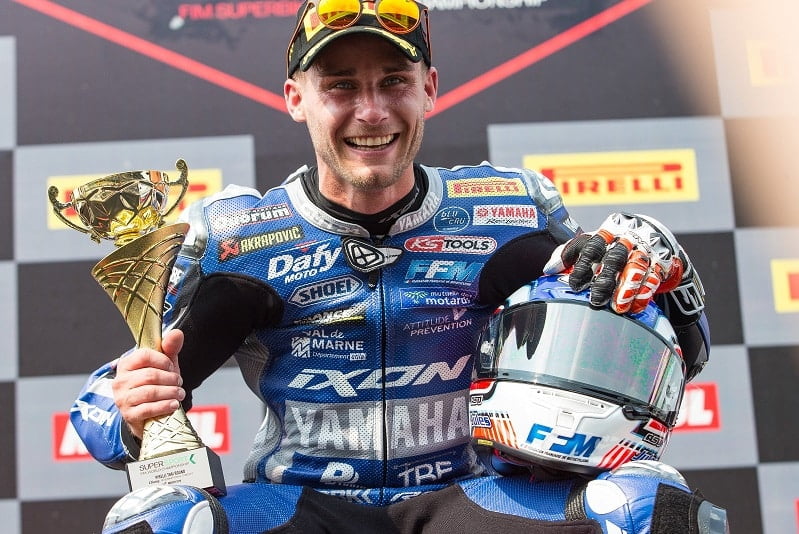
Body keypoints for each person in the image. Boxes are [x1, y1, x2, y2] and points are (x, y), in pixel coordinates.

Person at [70, 0, 709, 532]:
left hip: (466, 500)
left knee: (648, 506)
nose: (371, 111)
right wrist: (126, 409)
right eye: (341, 86)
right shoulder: (237, 238)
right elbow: (102, 412)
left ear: (429, 88)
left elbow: (678, 348)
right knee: (154, 520)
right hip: (300, 506)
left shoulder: (508, 211)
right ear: (296, 98)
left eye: (394, 82)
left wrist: (662, 268)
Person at [466, 274, 727, 533]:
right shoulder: (642, 507)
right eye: (560, 355)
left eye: (606, 366)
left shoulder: (650, 509)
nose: (575, 370)